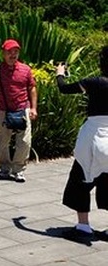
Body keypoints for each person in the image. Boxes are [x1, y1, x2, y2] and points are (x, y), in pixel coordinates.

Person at [56, 47, 108, 244]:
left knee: (80, 181)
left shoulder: (95, 83)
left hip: (94, 137)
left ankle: (83, 227)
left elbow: (64, 88)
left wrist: (60, 74)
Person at [0, 38, 37, 183]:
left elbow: (32, 88)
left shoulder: (25, 69)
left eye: (16, 51)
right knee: (3, 141)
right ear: (3, 53)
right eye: (9, 52)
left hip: (22, 109)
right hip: (3, 110)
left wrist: (33, 108)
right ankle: (4, 169)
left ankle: (18, 170)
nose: (13, 55)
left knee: (25, 141)